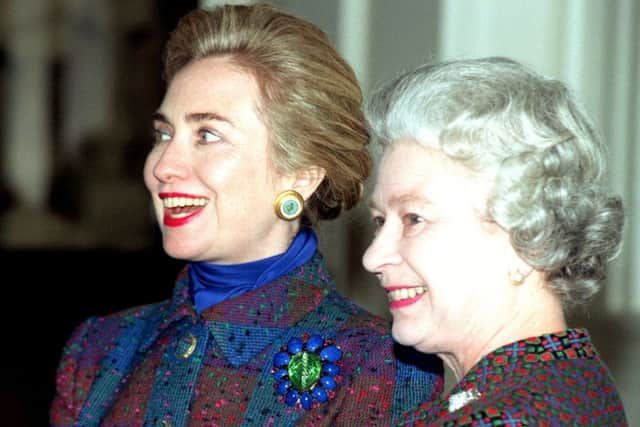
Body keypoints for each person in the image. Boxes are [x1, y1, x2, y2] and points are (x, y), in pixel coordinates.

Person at [49, 4, 443, 426]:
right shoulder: (100, 350)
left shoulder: (384, 370)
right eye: (163, 134)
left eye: (208, 134)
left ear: (300, 175)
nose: (162, 165)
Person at [362, 56, 628, 426]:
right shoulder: (565, 380)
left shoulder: (502, 417)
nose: (373, 256)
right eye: (379, 221)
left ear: (528, 238)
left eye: (413, 219)